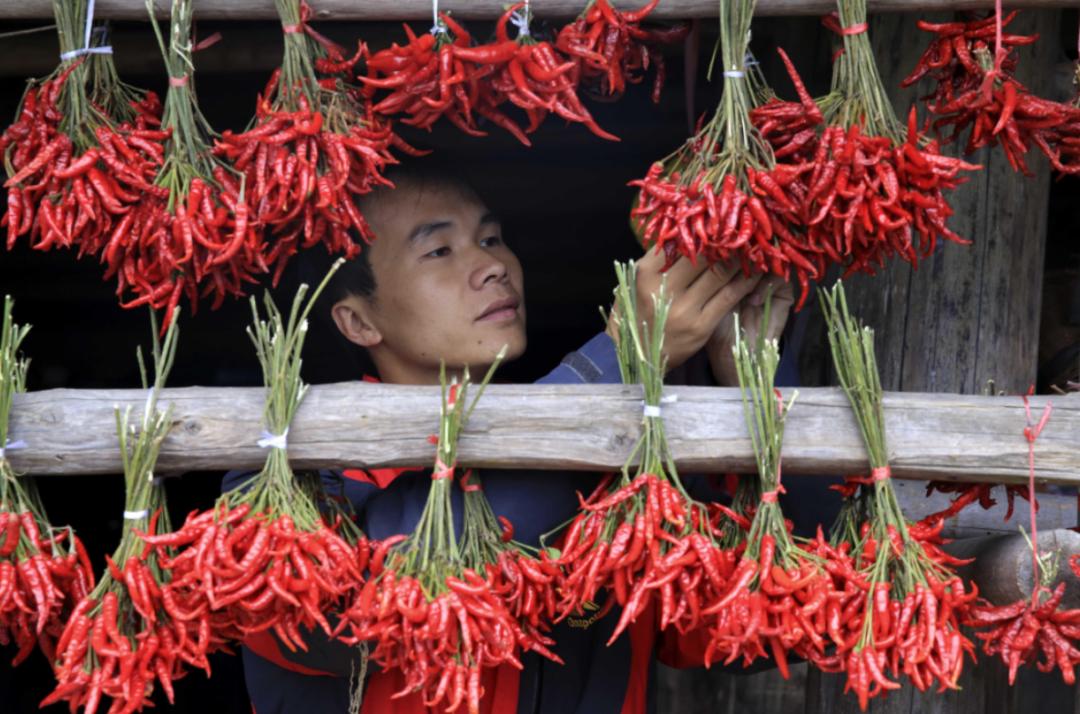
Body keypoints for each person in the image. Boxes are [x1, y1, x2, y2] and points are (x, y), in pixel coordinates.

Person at [224, 161, 799, 714]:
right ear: (359, 322)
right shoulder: (284, 481)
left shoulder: (625, 475)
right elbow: (363, 610)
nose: (491, 266)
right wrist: (621, 360)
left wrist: (758, 377)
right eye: (440, 250)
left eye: (493, 239)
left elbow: (784, 619)